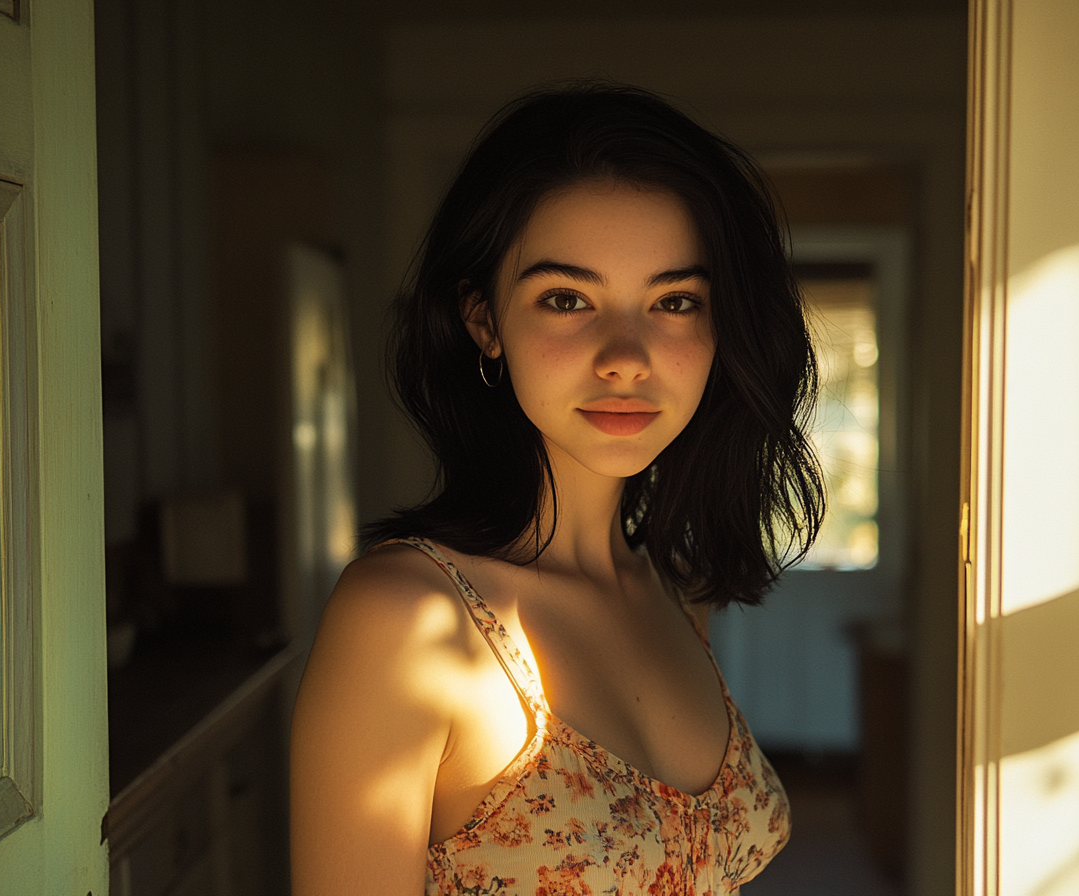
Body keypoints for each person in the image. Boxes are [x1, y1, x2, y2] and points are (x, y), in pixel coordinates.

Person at [289, 82, 825, 896]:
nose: (626, 357)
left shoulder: (674, 587)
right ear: (484, 321)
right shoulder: (404, 619)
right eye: (567, 299)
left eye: (675, 301)